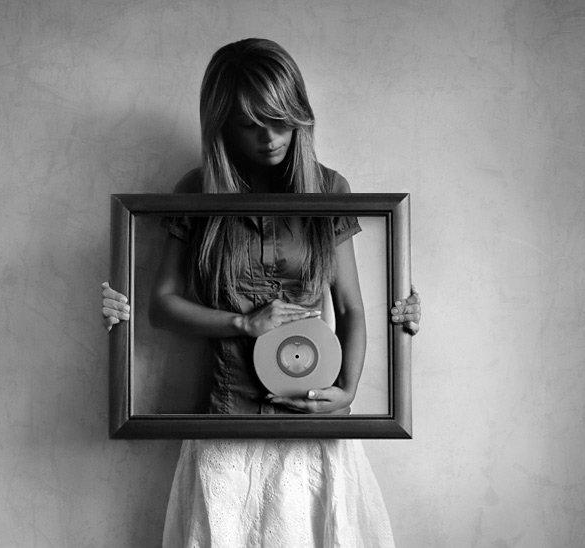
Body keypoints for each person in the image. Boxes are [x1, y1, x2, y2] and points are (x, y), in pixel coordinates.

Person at [102, 38, 421, 547]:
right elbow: (160, 307)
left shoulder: (330, 189)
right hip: (224, 421)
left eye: (279, 119)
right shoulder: (196, 190)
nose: (270, 137)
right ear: (223, 125)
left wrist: (346, 393)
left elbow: (351, 308)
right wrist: (242, 323)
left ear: (299, 114)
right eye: (250, 124)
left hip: (309, 417)